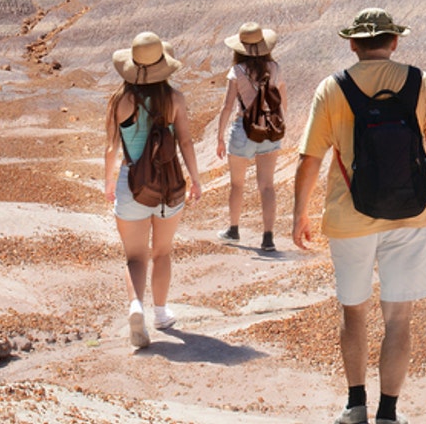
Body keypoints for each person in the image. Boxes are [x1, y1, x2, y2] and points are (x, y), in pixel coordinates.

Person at [292, 8, 426, 424]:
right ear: (395, 42)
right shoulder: (422, 83)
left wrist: (299, 215)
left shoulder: (332, 88)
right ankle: (388, 412)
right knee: (398, 318)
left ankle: (355, 406)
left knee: (354, 313)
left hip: (350, 218)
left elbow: (309, 158)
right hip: (408, 217)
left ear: (352, 44)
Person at [104, 31, 203, 348]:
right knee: (162, 252)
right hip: (168, 187)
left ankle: (136, 307)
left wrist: (109, 183)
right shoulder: (175, 99)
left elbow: (111, 148)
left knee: (135, 257)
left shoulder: (121, 101)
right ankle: (161, 314)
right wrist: (196, 179)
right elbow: (185, 141)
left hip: (131, 185)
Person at [214, 21, 288, 253]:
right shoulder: (274, 68)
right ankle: (268, 238)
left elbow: (227, 107)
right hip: (269, 131)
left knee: (237, 184)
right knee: (267, 186)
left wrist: (219, 137)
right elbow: (283, 101)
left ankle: (233, 230)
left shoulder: (236, 72)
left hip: (243, 131)